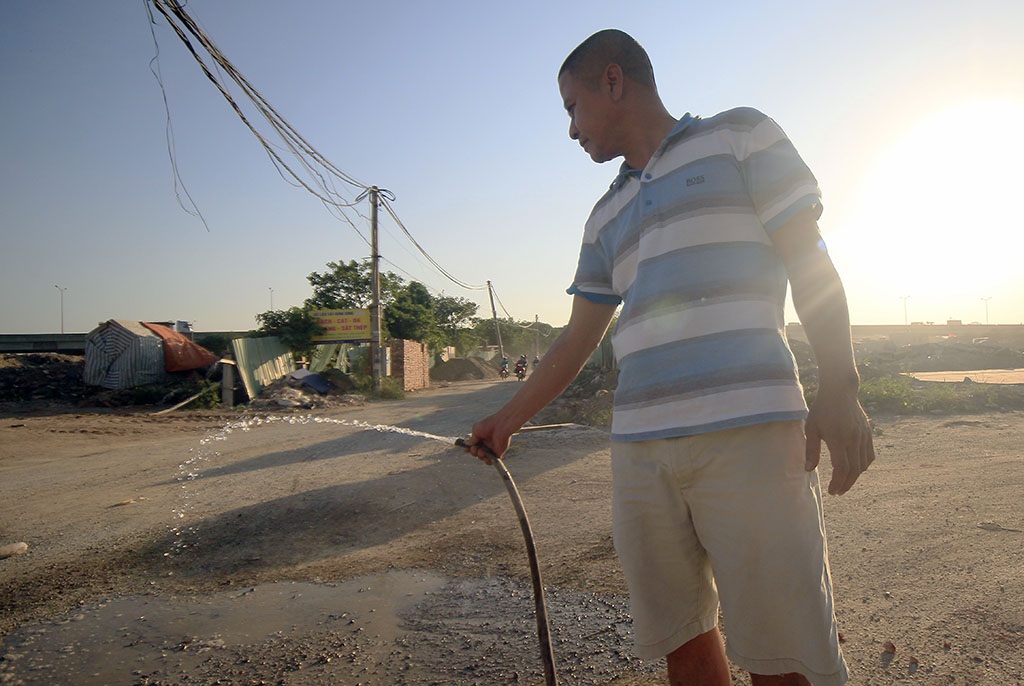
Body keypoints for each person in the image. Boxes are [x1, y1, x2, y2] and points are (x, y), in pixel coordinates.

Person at [462, 29, 874, 686]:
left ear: (613, 81)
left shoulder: (743, 136)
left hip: (751, 434)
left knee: (785, 652)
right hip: (641, 455)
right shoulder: (604, 216)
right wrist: (507, 419)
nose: (571, 130)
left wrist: (840, 386)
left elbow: (808, 258)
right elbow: (576, 341)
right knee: (680, 636)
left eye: (572, 106)